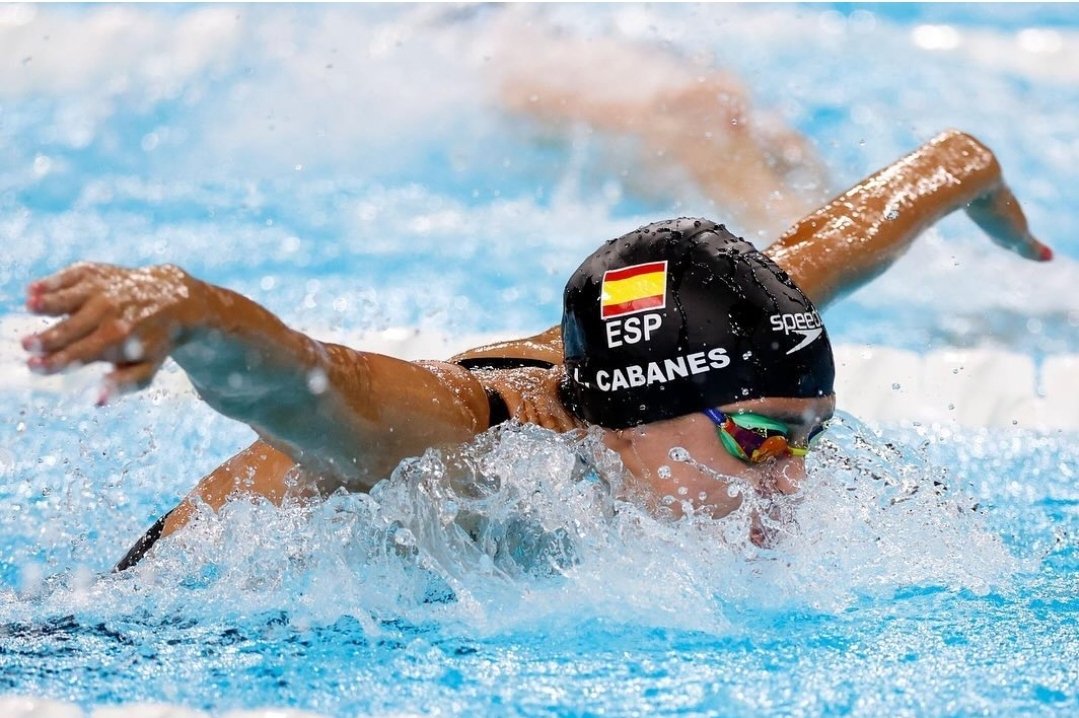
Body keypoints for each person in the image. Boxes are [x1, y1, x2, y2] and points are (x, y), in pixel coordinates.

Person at [21, 130, 1051, 570]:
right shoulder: (469, 442)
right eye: (755, 442)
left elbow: (823, 249)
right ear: (631, 415)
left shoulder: (717, 354)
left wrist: (960, 168)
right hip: (148, 635)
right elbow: (302, 381)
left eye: (805, 441)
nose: (784, 489)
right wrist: (185, 307)